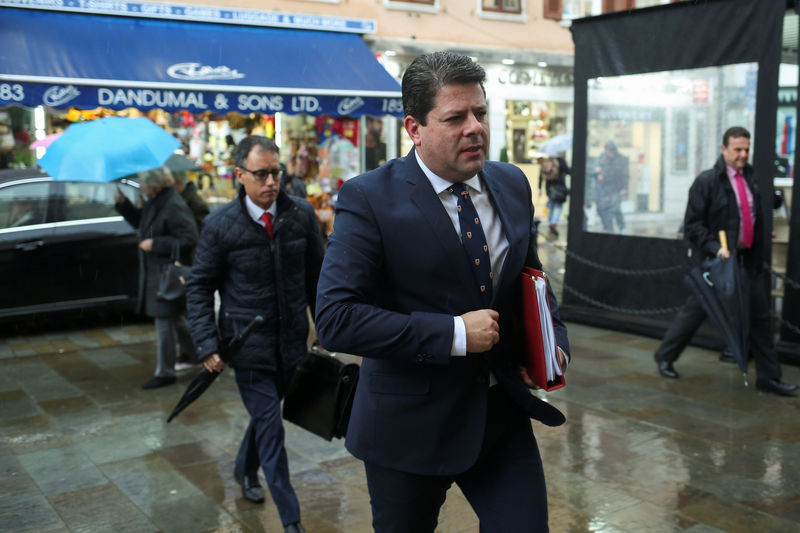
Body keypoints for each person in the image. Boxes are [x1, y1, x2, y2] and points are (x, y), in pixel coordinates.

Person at [315, 51, 570, 532]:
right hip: (407, 427)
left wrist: (550, 347)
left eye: (480, 112)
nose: (475, 127)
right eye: (455, 117)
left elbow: (531, 280)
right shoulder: (368, 198)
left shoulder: (512, 183)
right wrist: (453, 334)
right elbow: (335, 318)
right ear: (414, 127)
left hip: (499, 416)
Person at [185, 136, 323, 533]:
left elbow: (318, 277)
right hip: (246, 350)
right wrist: (208, 344)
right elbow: (198, 287)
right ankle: (291, 518)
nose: (271, 182)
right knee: (271, 426)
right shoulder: (220, 225)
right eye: (260, 174)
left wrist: (327, 327)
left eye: (275, 172)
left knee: (265, 419)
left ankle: (244, 469)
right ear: (239, 175)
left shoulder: (300, 216)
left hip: (291, 344)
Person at [654, 126, 797, 397]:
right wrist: (714, 248)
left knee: (760, 318)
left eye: (746, 149)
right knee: (695, 311)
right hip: (718, 263)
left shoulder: (750, 177)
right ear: (724, 149)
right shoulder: (707, 181)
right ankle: (665, 355)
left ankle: (768, 377)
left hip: (748, 262)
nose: (743, 155)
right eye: (737, 149)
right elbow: (692, 225)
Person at [114, 166, 198, 389]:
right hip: (159, 273)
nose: (141, 186)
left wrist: (156, 244)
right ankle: (200, 352)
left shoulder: (173, 205)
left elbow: (189, 238)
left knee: (165, 321)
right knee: (174, 319)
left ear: (154, 184)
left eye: (144, 182)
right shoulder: (157, 201)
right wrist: (124, 205)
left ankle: (165, 372)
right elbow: (144, 224)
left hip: (168, 274)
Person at [594, 141, 628, 233]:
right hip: (606, 188)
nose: (606, 152)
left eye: (607, 151)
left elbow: (624, 175)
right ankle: (608, 228)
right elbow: (605, 170)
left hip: (617, 188)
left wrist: (625, 188)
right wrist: (600, 173)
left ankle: (621, 227)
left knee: (615, 209)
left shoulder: (621, 160)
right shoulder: (606, 159)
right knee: (603, 208)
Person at [537, 153, 570, 237]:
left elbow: (541, 177)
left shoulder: (546, 162)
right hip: (559, 187)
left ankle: (550, 223)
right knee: (559, 206)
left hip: (549, 188)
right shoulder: (560, 161)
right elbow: (568, 171)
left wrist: (540, 189)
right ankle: (553, 222)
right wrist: (567, 164)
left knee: (551, 206)